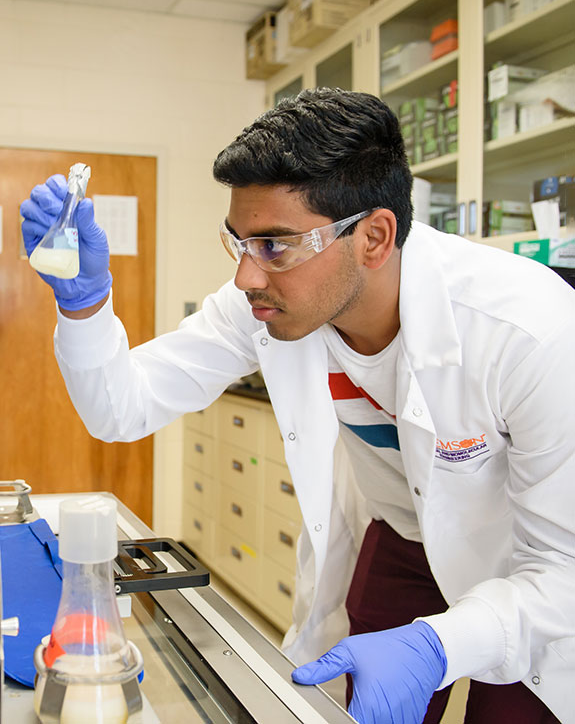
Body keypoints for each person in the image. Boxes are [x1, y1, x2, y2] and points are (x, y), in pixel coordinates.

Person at [21, 88, 575, 724]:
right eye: (240, 242)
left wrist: (439, 643)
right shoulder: (267, 304)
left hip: (530, 565)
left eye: (275, 244)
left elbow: (564, 568)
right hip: (399, 534)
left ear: (373, 235)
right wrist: (85, 304)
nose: (246, 278)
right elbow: (122, 409)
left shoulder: (529, 332)